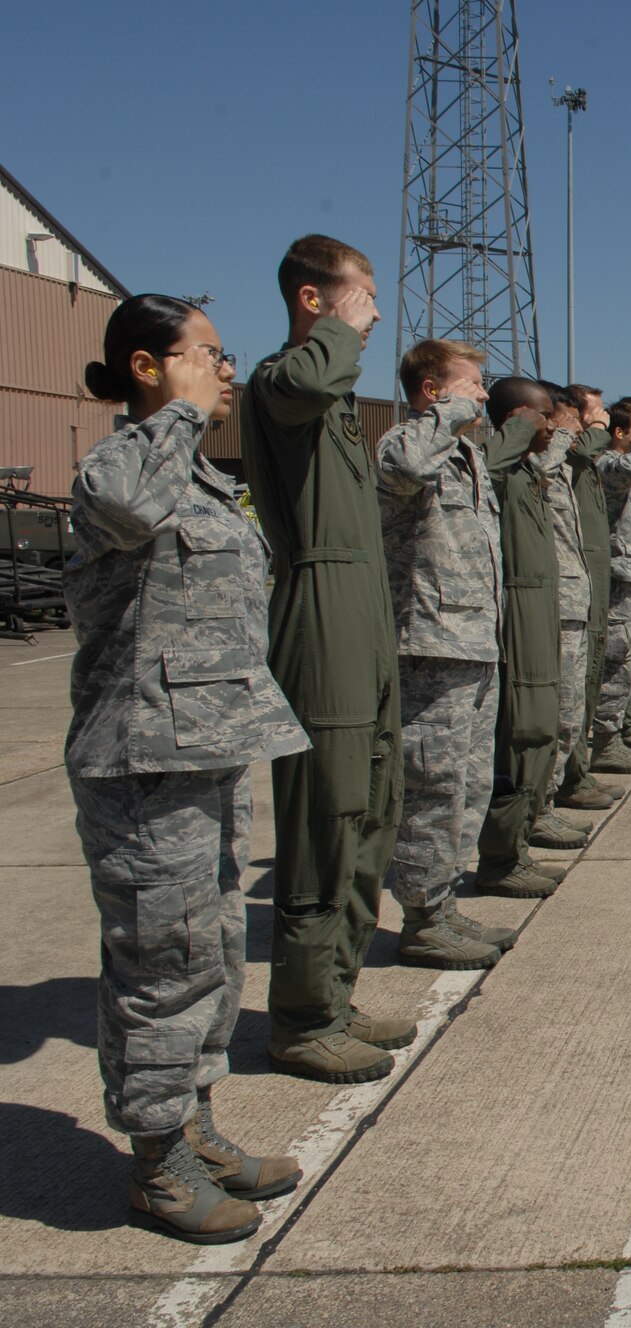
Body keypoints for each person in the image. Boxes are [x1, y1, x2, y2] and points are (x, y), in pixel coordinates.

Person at [69, 295, 305, 1242]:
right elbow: (125, 505)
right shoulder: (120, 464)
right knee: (159, 964)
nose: (223, 371)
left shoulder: (200, 478)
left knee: (208, 953)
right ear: (145, 366)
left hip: (207, 747)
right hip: (141, 756)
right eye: (206, 354)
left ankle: (196, 1128)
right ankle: (157, 1166)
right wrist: (174, 408)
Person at [239, 235, 408, 1084]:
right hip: (321, 611)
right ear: (314, 300)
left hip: (366, 610)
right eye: (363, 296)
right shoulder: (283, 381)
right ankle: (301, 1018)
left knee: (373, 803)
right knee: (326, 817)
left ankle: (332, 994)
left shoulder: (333, 398)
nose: (375, 313)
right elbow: (308, 378)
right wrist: (332, 330)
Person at [375, 340, 519, 968]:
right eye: (473, 384)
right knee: (431, 784)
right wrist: (442, 415)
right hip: (431, 643)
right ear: (434, 390)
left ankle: (443, 903)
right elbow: (402, 469)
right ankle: (422, 917)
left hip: (474, 641)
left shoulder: (466, 457)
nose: (485, 394)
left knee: (468, 782)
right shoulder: (407, 442)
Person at [474, 378, 568, 897]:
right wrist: (516, 434)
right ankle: (502, 856)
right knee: (521, 733)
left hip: (539, 608)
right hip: (517, 614)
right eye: (542, 416)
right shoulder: (496, 466)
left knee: (540, 728)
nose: (552, 425)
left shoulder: (528, 470)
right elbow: (486, 470)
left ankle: (519, 843)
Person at [530, 383, 596, 842]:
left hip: (572, 599)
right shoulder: (535, 462)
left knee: (570, 712)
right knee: (556, 714)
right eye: (570, 419)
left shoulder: (560, 465)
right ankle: (539, 807)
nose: (580, 430)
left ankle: (549, 799)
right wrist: (566, 434)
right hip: (552, 604)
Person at [554, 383, 623, 809]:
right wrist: (596, 430)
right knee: (567, 696)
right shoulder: (571, 456)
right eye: (593, 415)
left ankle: (577, 771)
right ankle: (565, 780)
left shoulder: (583, 462)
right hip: (568, 588)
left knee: (587, 681)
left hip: (587, 577)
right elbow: (579, 451)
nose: (601, 423)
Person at [590, 401, 631, 772]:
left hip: (629, 571)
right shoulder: (610, 462)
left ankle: (612, 735)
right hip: (616, 573)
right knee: (616, 658)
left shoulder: (622, 462)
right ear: (619, 433)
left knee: (626, 658)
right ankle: (604, 741)